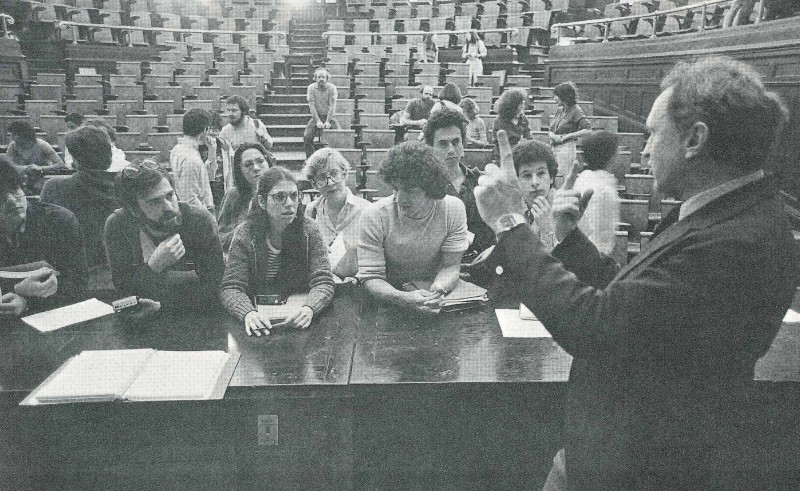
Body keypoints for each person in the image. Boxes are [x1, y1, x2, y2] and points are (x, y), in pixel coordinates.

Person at [473, 56, 797, 490]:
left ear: (695, 140)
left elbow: (596, 326)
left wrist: (510, 225)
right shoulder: (724, 213)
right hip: (615, 452)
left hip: (642, 467)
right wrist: (570, 240)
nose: (643, 150)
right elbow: (636, 301)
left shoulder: (735, 241)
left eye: (651, 134)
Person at [219, 167, 335, 336]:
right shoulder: (245, 234)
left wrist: (310, 308)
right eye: (279, 197)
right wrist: (247, 313)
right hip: (258, 323)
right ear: (262, 201)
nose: (289, 203)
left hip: (301, 320)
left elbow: (323, 280)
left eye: (294, 196)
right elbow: (231, 286)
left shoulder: (310, 230)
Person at [358, 142, 468, 315]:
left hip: (433, 297)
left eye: (411, 190)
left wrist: (438, 289)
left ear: (430, 189)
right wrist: (403, 298)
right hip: (387, 299)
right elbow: (371, 277)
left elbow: (451, 266)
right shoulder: (374, 215)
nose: (400, 198)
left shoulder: (453, 209)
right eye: (396, 188)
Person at [104, 161, 225, 312]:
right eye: (154, 202)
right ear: (133, 210)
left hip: (197, 319)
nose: (169, 207)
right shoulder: (118, 225)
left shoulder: (199, 221)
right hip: (143, 322)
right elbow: (124, 291)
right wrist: (153, 267)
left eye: (170, 195)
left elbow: (215, 289)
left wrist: (164, 307)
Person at [0, 158, 87, 317]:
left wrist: (26, 301)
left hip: (49, 317)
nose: (12, 201)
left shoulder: (59, 220)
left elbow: (78, 283)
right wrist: (15, 291)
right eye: (0, 197)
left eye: (15, 189)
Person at [40, 125, 118, 268]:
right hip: (117, 270)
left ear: (75, 158)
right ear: (109, 155)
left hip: (71, 271)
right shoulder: (126, 186)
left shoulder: (54, 187)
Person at [424, 109, 495, 260]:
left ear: (463, 144)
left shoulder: (480, 182)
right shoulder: (424, 188)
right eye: (443, 144)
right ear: (431, 148)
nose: (451, 150)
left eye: (456, 142)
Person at [303, 148, 371, 279]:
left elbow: (375, 259)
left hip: (358, 286)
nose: (330, 183)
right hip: (323, 284)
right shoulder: (311, 211)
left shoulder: (367, 210)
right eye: (322, 177)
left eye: (334, 173)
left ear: (344, 174)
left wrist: (358, 279)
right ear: (314, 183)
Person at [572, 130, 621, 255]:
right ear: (609, 156)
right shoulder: (605, 189)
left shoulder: (583, 177)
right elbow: (602, 235)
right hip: (594, 255)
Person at [218, 143, 274, 252]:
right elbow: (220, 239)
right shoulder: (233, 196)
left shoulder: (284, 192)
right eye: (248, 165)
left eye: (260, 161)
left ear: (268, 162)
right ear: (240, 171)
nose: (256, 168)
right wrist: (245, 230)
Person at [513, 140, 558, 252]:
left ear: (551, 177)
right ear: (517, 181)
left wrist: (546, 230)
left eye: (541, 173)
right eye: (527, 175)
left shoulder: (565, 207)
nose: (535, 182)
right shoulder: (512, 210)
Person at [170, 108, 216, 215]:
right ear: (205, 130)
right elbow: (189, 199)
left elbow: (205, 179)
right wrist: (209, 217)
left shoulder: (177, 149)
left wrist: (212, 152)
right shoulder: (191, 159)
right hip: (198, 217)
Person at [549, 81, 594, 177]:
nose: (554, 99)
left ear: (563, 96)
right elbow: (551, 130)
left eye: (556, 96)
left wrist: (567, 136)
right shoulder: (560, 110)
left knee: (563, 176)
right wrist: (554, 136)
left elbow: (588, 130)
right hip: (554, 147)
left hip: (566, 149)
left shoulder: (576, 111)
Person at [6, 120, 64, 193]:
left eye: (15, 134)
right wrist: (23, 168)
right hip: (21, 181)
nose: (13, 138)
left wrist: (40, 168)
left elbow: (60, 164)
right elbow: (7, 166)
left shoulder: (42, 145)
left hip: (41, 181)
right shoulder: (12, 146)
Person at [200, 111, 234, 209]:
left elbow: (230, 171)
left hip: (221, 189)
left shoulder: (224, 145)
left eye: (216, 130)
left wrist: (229, 189)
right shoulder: (198, 147)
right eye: (210, 129)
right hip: (206, 189)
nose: (212, 133)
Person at [304, 67, 340, 158]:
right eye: (319, 77)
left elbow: (332, 106)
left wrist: (328, 121)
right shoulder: (311, 88)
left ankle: (335, 159)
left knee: (340, 135)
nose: (321, 79)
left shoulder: (332, 88)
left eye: (323, 77)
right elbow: (312, 106)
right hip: (316, 117)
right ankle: (311, 160)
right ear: (315, 78)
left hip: (330, 117)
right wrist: (318, 121)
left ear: (327, 78)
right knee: (307, 136)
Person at [492, 88, 531, 161]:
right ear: (513, 105)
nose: (523, 106)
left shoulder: (523, 119)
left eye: (523, 103)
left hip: (521, 155)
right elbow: (501, 144)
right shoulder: (499, 122)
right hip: (504, 157)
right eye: (521, 103)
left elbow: (528, 138)